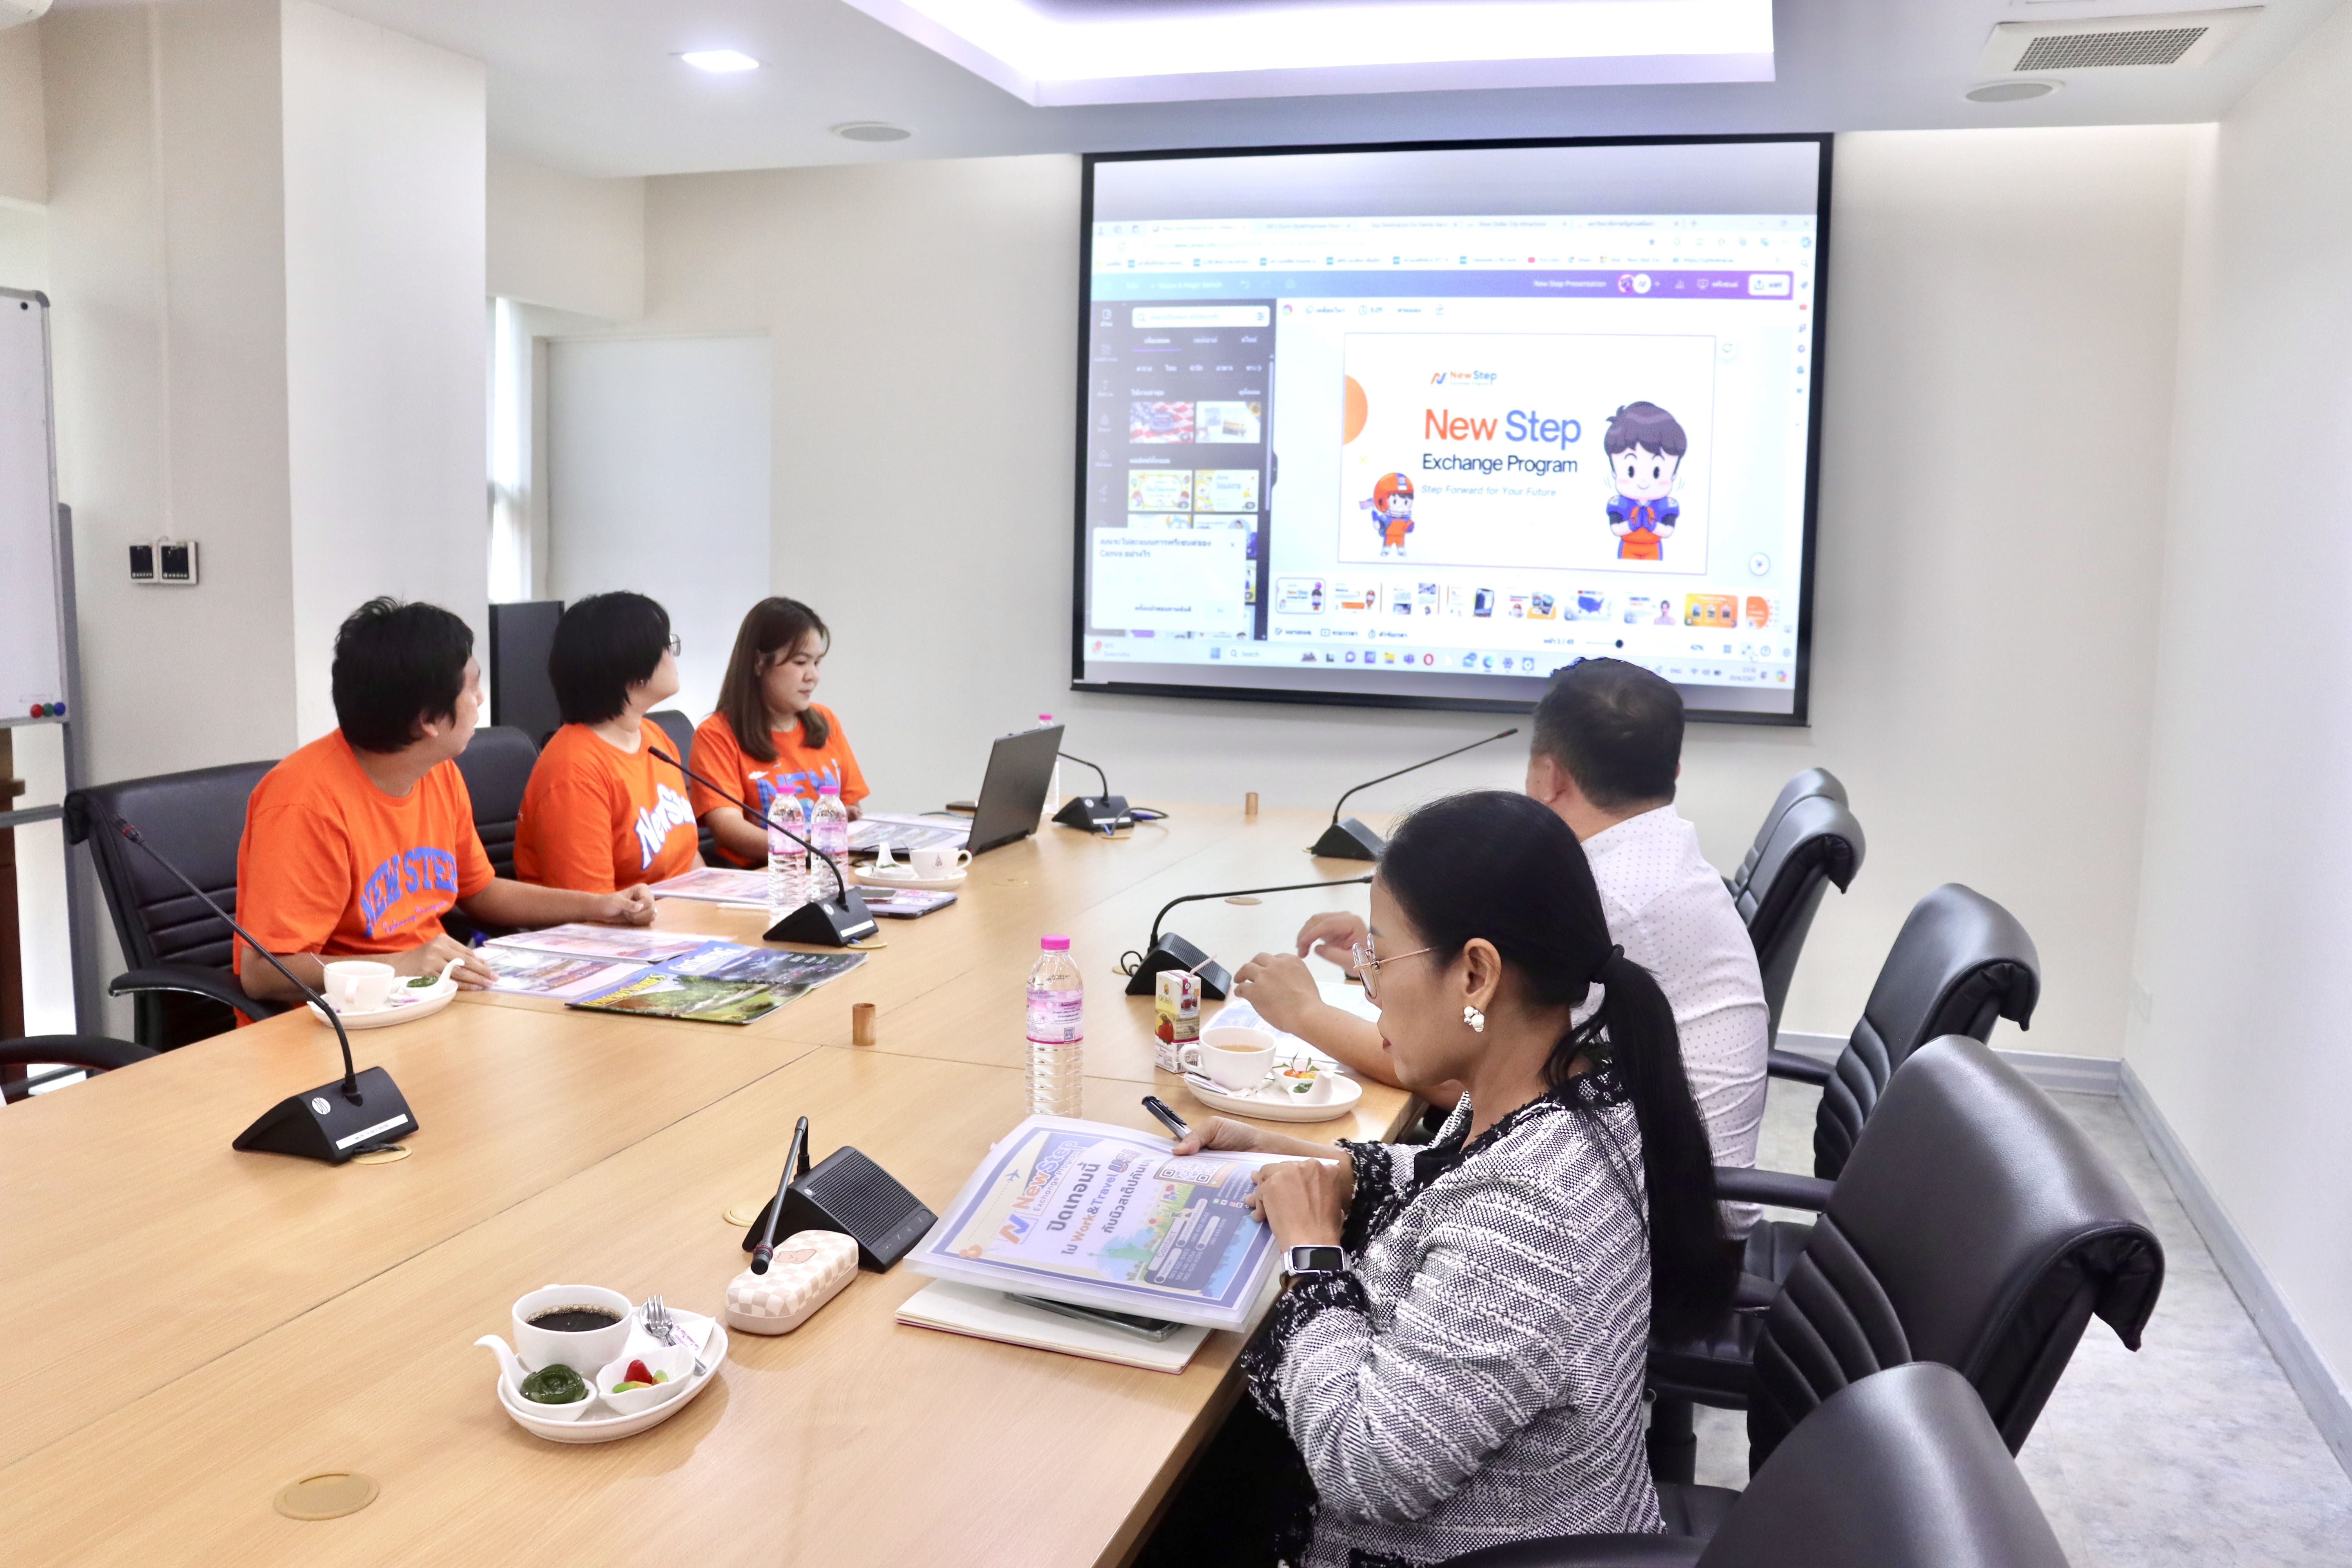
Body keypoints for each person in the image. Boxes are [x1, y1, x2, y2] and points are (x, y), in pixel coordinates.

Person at [1140, 791, 1735, 1568]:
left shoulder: (1531, 1214)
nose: (1370, 985)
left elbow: (1365, 1469)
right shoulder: (1571, 1079)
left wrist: (1313, 1256)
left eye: (1379, 958)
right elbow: (1449, 1182)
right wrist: (1306, 1159)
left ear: (1476, 974)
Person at [1233, 657, 1770, 1230]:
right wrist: (1399, 950)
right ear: (1674, 768)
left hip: (1665, 1221)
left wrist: (1305, 1011)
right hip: (1642, 1176)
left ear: (1549, 776)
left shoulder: (1605, 899)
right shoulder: (1657, 856)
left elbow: (1461, 1070)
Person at [234, 598, 654, 1003]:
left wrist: (598, 905)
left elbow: (481, 891)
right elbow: (263, 974)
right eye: (472, 688)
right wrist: (400, 965)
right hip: (336, 1021)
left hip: (427, 996)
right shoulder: (304, 802)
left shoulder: (437, 771)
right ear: (430, 720)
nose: (481, 700)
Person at [513, 592, 702, 893]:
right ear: (633, 668)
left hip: (684, 913)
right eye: (665, 645)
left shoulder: (656, 737)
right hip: (626, 921)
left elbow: (689, 861)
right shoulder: (574, 771)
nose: (673, 655)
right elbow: (594, 908)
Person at [690, 597, 869, 868]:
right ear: (760, 663)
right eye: (801, 662)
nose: (813, 676)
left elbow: (848, 806)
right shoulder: (716, 734)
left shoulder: (825, 721)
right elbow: (728, 828)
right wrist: (805, 847)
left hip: (823, 869)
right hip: (761, 874)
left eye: (817, 663)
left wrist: (849, 819)